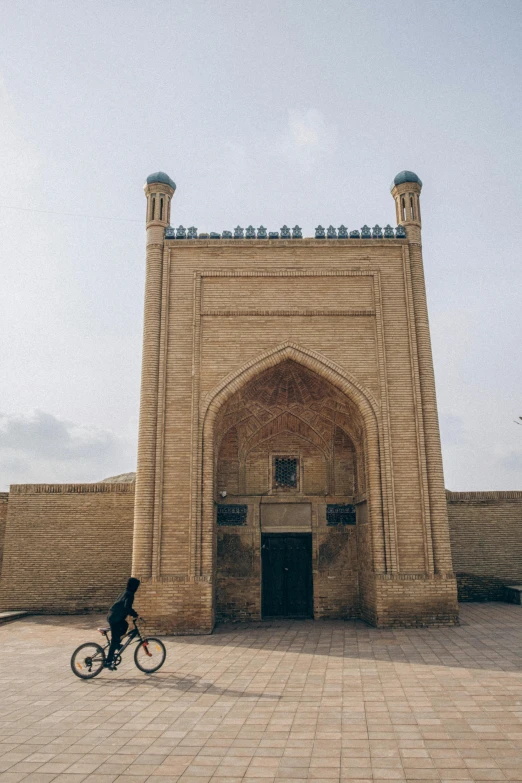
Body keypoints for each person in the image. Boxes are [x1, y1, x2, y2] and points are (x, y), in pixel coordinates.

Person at [105, 577, 140, 669]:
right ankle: (108, 661)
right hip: (115, 618)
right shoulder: (130, 594)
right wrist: (135, 615)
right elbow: (127, 607)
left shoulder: (124, 592)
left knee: (125, 625)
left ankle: (117, 645)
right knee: (115, 639)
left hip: (112, 615)